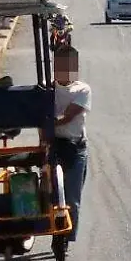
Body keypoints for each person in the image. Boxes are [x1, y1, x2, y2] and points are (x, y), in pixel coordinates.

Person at [53, 45, 90, 243]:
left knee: (72, 199)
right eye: (61, 64)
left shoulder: (82, 89)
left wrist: (47, 122)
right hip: (53, 146)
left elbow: (67, 117)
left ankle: (65, 239)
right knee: (47, 194)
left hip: (75, 148)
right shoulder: (48, 89)